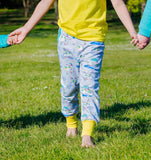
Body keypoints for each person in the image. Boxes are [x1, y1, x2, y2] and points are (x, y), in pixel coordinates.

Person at [9, 0, 138, 147]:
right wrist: (26, 29)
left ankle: (87, 135)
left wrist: (132, 32)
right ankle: (71, 125)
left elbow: (119, 4)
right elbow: (45, 2)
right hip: (67, 38)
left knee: (89, 86)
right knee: (68, 87)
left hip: (93, 39)